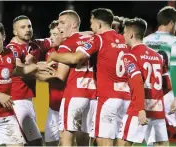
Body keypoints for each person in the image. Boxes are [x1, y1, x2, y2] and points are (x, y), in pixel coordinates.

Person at [47, 8, 132, 146]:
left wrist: (53, 55)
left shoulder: (96, 39)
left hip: (96, 95)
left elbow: (75, 59)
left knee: (68, 139)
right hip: (118, 96)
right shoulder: (124, 41)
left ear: (98, 24)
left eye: (92, 23)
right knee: (112, 140)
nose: (91, 27)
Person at [143, 6, 176, 147]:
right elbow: (175, 70)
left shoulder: (145, 40)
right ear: (171, 23)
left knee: (153, 137)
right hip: (167, 92)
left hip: (148, 93)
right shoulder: (174, 41)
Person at [117, 17, 171, 146]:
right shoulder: (158, 56)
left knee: (123, 143)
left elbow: (137, 82)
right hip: (157, 108)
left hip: (139, 109)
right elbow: (167, 86)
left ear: (130, 34)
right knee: (161, 144)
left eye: (124, 32)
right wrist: (154, 98)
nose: (123, 35)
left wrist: (141, 108)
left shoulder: (129, 56)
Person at [45, 10, 96, 146]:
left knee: (65, 137)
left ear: (73, 24)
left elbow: (60, 76)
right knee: (84, 140)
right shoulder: (93, 39)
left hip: (74, 95)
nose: (59, 26)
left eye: (62, 22)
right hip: (92, 96)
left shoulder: (67, 44)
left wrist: (39, 74)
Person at [6, 15, 53, 146]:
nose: (27, 29)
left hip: (26, 99)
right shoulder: (12, 48)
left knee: (36, 142)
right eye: (23, 27)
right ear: (15, 32)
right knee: (17, 142)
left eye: (29, 26)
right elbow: (18, 69)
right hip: (16, 101)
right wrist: (37, 66)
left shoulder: (35, 45)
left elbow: (56, 39)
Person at [39, 20, 65, 146]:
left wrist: (50, 75)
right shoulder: (49, 52)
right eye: (51, 34)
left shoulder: (72, 51)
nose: (51, 38)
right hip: (53, 107)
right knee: (50, 143)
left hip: (68, 106)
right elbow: (41, 73)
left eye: (55, 34)